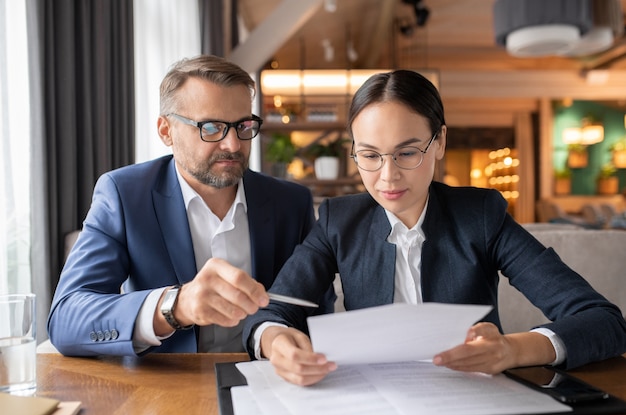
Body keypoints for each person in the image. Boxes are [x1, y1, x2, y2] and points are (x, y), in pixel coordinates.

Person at [243, 69, 626, 386]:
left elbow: (604, 320)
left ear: (439, 141)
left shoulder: (481, 215)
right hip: (370, 397)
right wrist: (276, 342)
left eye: (407, 152)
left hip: (475, 396)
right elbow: (270, 314)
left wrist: (513, 349)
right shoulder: (338, 221)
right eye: (370, 155)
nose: (387, 176)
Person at [47, 55, 333, 356]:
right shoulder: (125, 195)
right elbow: (66, 318)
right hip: (168, 388)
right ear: (165, 131)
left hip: (269, 381)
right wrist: (175, 306)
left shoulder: (291, 202)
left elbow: (317, 312)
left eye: (243, 126)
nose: (233, 145)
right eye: (211, 128)